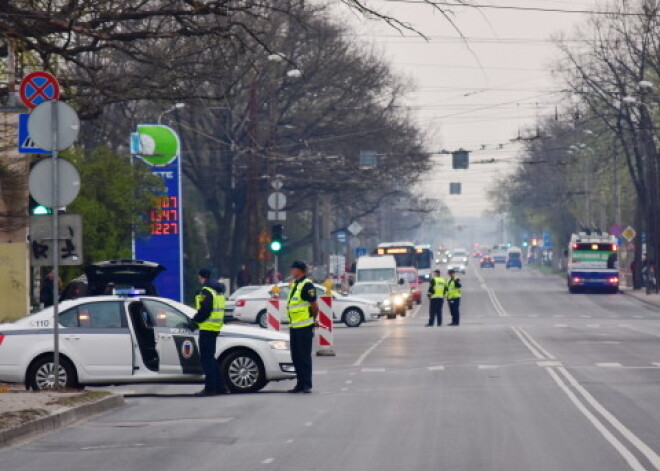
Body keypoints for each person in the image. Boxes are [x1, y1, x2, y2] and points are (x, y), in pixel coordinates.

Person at [191, 268, 227, 396]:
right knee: (211, 358)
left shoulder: (206, 291)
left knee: (207, 360)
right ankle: (221, 386)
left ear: (201, 277)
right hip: (215, 327)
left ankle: (210, 388)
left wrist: (194, 321)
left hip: (207, 327)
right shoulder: (218, 290)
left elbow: (205, 310)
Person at [286, 261, 319, 394]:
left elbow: (315, 306)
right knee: (296, 356)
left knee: (304, 356)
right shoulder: (295, 284)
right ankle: (300, 383)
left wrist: (312, 319)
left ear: (299, 270)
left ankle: (306, 384)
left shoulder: (307, 285)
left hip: (304, 326)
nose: (292, 271)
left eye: (293, 269)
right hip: (294, 326)